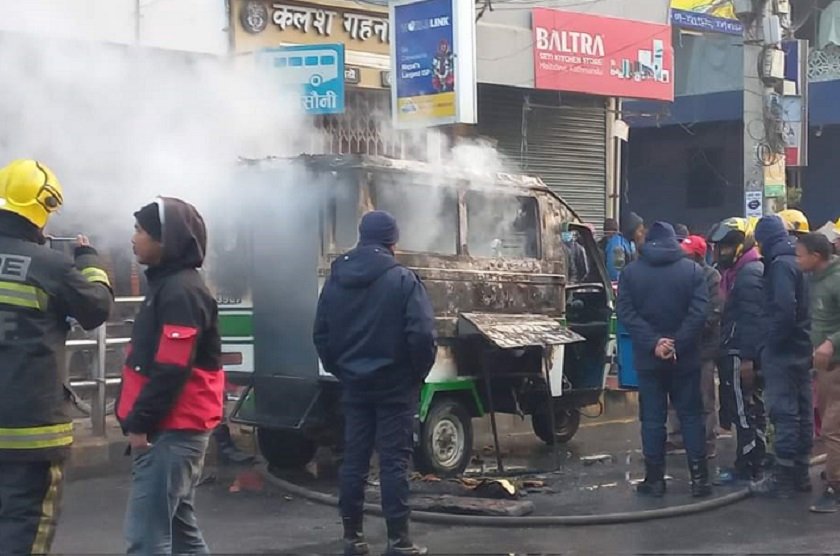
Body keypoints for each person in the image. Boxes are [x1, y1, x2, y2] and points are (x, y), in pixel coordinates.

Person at [0, 160, 112, 553]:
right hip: (32, 431)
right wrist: (90, 263)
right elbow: (97, 307)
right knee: (25, 528)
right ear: (42, 209)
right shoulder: (51, 266)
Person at [314, 211, 436, 556]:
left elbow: (321, 334)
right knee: (394, 461)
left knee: (354, 458)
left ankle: (352, 538)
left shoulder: (336, 279)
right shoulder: (403, 280)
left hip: (354, 384)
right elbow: (423, 335)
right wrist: (415, 373)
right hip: (396, 386)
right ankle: (399, 541)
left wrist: (342, 370)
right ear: (392, 241)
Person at [117, 197, 225, 554]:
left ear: (167, 240)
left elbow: (171, 368)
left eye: (141, 230)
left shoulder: (180, 291)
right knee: (181, 535)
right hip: (172, 427)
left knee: (147, 538)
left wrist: (140, 423)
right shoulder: (171, 285)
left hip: (171, 429)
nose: (133, 238)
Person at [617, 222, 710, 498]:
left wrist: (654, 342)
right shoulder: (692, 271)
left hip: (649, 360)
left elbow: (626, 312)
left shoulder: (631, 273)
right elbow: (699, 312)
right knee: (691, 417)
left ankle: (655, 480)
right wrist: (677, 342)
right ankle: (700, 480)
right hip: (686, 358)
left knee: (653, 419)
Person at [752, 215, 813, 498]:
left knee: (784, 412)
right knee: (802, 410)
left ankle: (784, 476)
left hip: (784, 351)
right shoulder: (797, 260)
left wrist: (770, 345)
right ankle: (800, 472)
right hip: (803, 347)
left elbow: (784, 310)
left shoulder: (779, 266)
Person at [710, 217, 767, 483]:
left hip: (739, 352)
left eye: (726, 247)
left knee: (743, 410)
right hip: (734, 349)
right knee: (746, 408)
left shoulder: (749, 274)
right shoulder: (736, 272)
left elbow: (751, 320)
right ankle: (755, 461)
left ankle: (748, 466)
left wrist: (746, 358)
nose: (721, 253)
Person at [795, 233, 840, 512]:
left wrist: (830, 343)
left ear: (816, 256)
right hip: (825, 368)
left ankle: (835, 487)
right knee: (829, 423)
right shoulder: (815, 280)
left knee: (833, 429)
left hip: (836, 366)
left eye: (800, 254)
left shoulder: (836, 280)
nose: (796, 259)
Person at [667, 235, 721, 458]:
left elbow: (714, 311)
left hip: (703, 346)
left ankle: (707, 440)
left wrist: (692, 332)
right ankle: (677, 437)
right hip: (681, 344)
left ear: (699, 256)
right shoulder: (679, 275)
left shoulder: (711, 277)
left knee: (704, 396)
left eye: (688, 254)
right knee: (676, 395)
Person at [606, 212, 644, 282]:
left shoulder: (631, 244)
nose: (641, 234)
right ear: (631, 230)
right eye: (640, 231)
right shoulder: (618, 244)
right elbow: (615, 273)